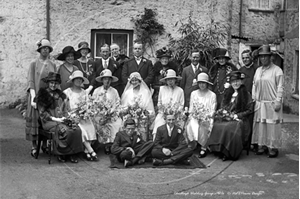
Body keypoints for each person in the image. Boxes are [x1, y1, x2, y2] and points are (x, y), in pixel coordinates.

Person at [35, 72, 83, 163]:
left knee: (76, 128)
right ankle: (62, 154)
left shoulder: (61, 95)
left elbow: (66, 110)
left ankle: (72, 153)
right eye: (51, 83)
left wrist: (69, 117)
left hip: (61, 120)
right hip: (48, 121)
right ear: (48, 83)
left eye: (56, 83)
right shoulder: (43, 94)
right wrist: (55, 119)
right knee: (63, 129)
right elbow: (42, 113)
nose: (53, 85)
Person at [207, 71, 253, 161]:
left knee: (228, 128)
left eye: (237, 81)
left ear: (241, 82)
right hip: (228, 117)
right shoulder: (228, 93)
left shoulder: (246, 94)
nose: (235, 83)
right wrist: (223, 112)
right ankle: (218, 149)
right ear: (231, 83)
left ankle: (228, 152)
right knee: (216, 124)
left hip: (240, 119)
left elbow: (249, 110)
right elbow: (223, 105)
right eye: (233, 81)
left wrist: (236, 115)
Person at [25, 38, 57, 158]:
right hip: (36, 96)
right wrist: (33, 97)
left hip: (48, 98)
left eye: (47, 48)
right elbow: (31, 81)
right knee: (35, 120)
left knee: (46, 120)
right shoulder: (34, 63)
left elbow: (55, 81)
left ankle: (44, 145)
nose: (45, 50)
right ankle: (34, 146)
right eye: (43, 48)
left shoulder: (53, 64)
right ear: (40, 50)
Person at [251, 45, 284, 158]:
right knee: (261, 125)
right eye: (261, 57)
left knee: (272, 126)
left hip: (272, 102)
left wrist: (278, 100)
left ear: (270, 57)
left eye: (266, 56)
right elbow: (254, 85)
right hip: (260, 102)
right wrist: (254, 98)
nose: (263, 59)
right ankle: (262, 145)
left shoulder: (277, 70)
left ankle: (272, 147)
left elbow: (280, 87)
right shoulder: (258, 70)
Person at [63, 70, 98, 161]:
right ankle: (91, 150)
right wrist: (71, 115)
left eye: (80, 79)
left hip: (84, 115)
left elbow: (87, 104)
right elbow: (64, 108)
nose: (79, 81)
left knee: (90, 127)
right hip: (72, 116)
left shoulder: (84, 92)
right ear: (73, 80)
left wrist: (86, 112)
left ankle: (87, 151)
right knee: (81, 129)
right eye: (77, 79)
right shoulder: (67, 92)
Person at [186, 73, 217, 158]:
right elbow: (191, 107)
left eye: (204, 83)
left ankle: (204, 147)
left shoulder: (212, 95)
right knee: (191, 123)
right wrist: (193, 114)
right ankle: (192, 145)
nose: (202, 85)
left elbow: (213, 110)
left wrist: (205, 116)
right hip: (195, 115)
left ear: (207, 84)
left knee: (204, 125)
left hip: (207, 116)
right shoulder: (193, 93)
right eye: (200, 83)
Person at [92, 69, 123, 154]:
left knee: (117, 123)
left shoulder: (114, 91)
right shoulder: (97, 91)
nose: (107, 81)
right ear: (102, 80)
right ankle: (99, 143)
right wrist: (100, 113)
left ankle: (110, 144)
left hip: (111, 114)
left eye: (109, 79)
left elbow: (118, 104)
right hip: (99, 114)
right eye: (105, 79)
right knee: (97, 122)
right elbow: (93, 104)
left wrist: (112, 112)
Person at [152, 69, 184, 140]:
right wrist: (164, 111)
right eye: (168, 79)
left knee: (179, 126)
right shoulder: (162, 89)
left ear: (175, 80)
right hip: (163, 114)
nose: (170, 81)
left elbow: (181, 105)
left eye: (172, 79)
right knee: (158, 123)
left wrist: (175, 112)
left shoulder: (180, 90)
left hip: (176, 115)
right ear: (166, 80)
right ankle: (157, 142)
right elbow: (159, 103)